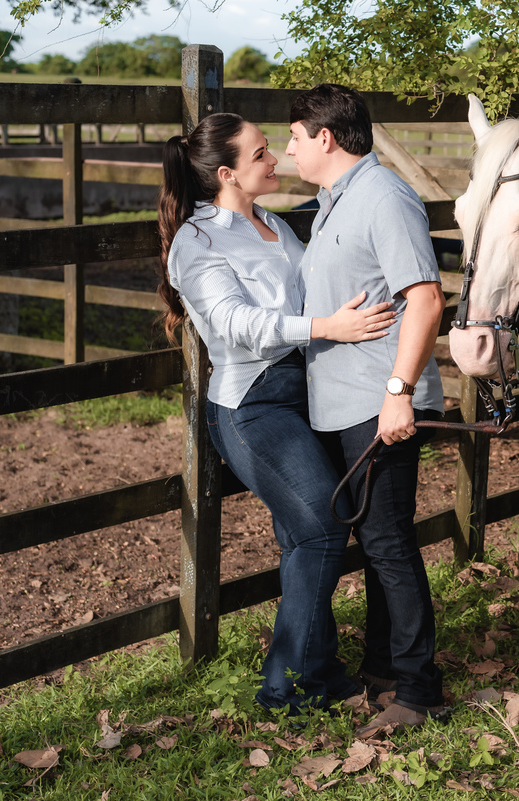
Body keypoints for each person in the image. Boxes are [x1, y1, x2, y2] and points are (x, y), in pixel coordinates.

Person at [156, 111, 397, 714]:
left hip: (306, 389)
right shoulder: (198, 241)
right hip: (251, 402)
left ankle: (318, 673)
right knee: (321, 522)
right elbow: (234, 326)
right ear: (226, 173)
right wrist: (326, 326)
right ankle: (286, 685)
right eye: (261, 153)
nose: (275, 159)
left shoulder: (274, 225)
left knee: (304, 533)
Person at [286, 84, 448, 735]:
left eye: (294, 136)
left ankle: (419, 688)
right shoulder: (333, 203)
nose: (289, 148)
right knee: (377, 545)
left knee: (388, 545)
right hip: (341, 403)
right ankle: (383, 669)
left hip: (377, 404)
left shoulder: (384, 198)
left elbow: (427, 299)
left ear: (325, 137)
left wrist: (398, 390)